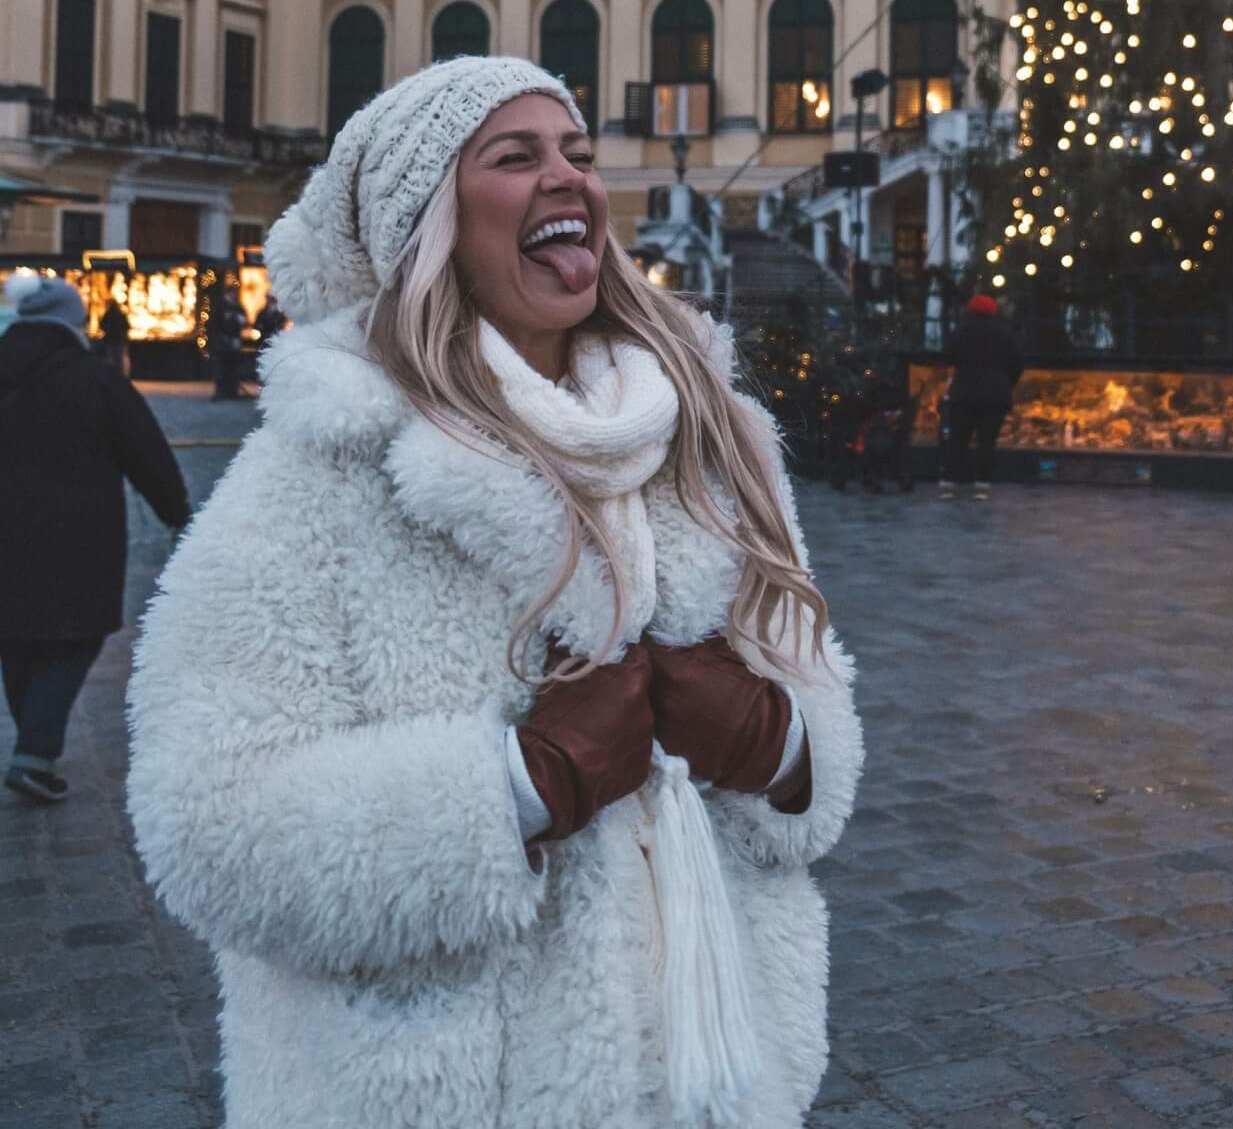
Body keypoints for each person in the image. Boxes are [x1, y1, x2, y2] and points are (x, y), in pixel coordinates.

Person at [127, 56, 863, 1129]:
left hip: (712, 1074)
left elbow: (820, 725)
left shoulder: (709, 440)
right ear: (429, 221)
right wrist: (520, 783)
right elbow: (206, 824)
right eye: (514, 158)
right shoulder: (325, 465)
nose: (566, 176)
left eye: (575, 152)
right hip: (442, 1091)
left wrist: (775, 744)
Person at [0, 275, 190, 804]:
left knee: (13, 633)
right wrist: (176, 513)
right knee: (75, 633)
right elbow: (145, 451)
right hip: (76, 535)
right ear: (72, 321)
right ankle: (35, 752)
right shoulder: (94, 378)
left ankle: (33, 746)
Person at [939, 292, 1023, 500]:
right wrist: (1007, 384)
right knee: (987, 441)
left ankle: (949, 484)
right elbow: (1017, 364)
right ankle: (981, 486)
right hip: (995, 396)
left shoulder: (961, 330)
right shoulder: (1004, 332)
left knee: (958, 439)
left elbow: (947, 355)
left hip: (963, 395)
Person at [209, 285, 246, 399]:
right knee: (221, 368)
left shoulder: (238, 307)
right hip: (222, 343)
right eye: (233, 293)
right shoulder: (220, 306)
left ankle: (232, 391)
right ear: (228, 294)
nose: (235, 296)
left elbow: (243, 321)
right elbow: (214, 325)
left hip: (234, 342)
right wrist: (221, 338)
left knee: (233, 368)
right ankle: (219, 392)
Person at [98, 294, 131, 376]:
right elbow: (127, 327)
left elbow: (102, 325)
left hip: (112, 340)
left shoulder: (109, 315)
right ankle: (119, 375)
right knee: (118, 359)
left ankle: (113, 375)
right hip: (117, 340)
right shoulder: (120, 315)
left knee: (112, 359)